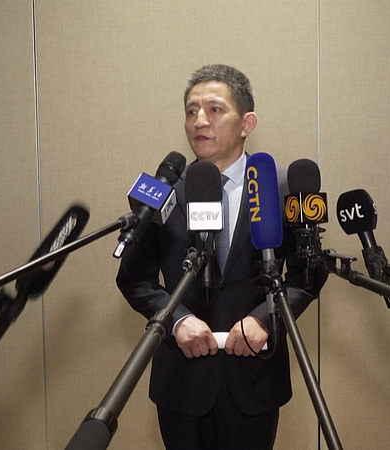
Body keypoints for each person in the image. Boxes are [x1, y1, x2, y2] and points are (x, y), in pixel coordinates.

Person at [116, 64, 322, 450]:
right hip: (182, 382)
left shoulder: (282, 187)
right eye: (191, 111)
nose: (199, 121)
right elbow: (134, 279)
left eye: (214, 110)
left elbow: (308, 275)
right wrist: (177, 320)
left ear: (247, 123)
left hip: (255, 378)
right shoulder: (162, 192)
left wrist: (265, 319)